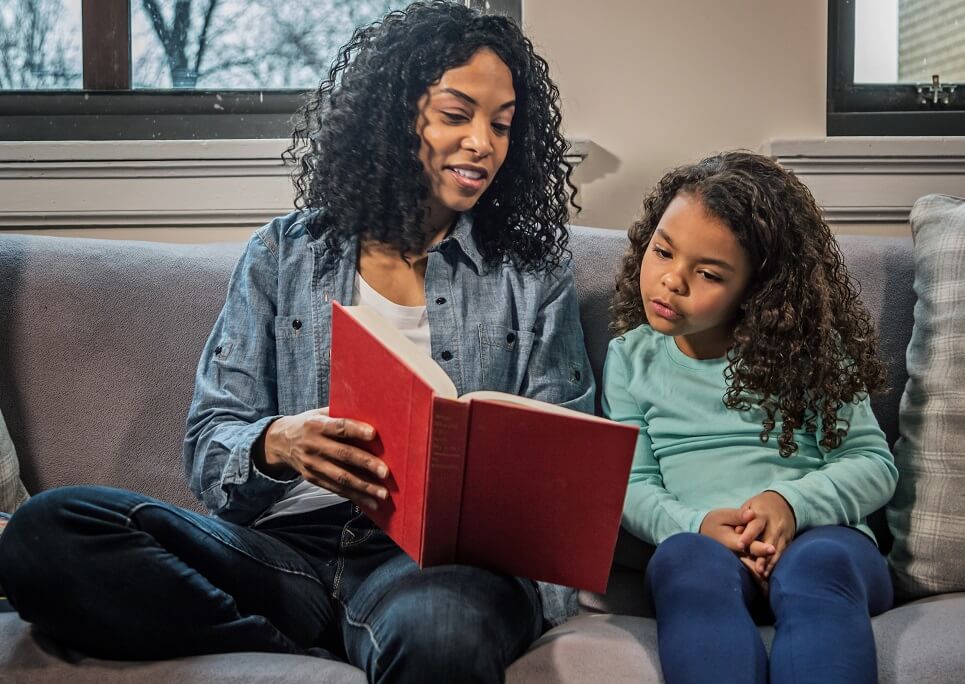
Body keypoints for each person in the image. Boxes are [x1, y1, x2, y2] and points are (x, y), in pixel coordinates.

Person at [0, 3, 594, 681]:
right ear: (395, 117)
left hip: (435, 568)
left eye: (502, 124)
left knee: (442, 639)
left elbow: (565, 471)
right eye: (456, 115)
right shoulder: (285, 253)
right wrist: (277, 443)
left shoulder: (530, 274)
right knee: (50, 531)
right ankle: (313, 644)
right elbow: (209, 442)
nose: (483, 143)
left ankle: (342, 636)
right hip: (282, 551)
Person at [603, 151, 898, 684]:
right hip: (704, 550)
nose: (671, 281)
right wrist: (696, 525)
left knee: (818, 566)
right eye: (662, 251)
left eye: (708, 273)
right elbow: (631, 483)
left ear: (757, 290)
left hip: (822, 543)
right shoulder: (629, 358)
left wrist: (788, 505)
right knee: (682, 563)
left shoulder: (811, 351)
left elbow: (872, 462)